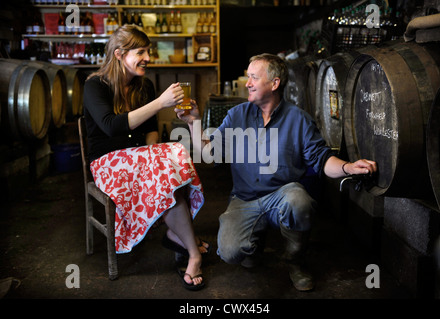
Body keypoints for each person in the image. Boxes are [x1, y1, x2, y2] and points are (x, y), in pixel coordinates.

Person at [175, 53, 377, 291]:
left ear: (274, 83)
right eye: (248, 77)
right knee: (230, 252)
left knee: (298, 201)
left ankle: (295, 261)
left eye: (253, 77)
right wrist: (193, 122)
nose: (247, 83)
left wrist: (348, 167)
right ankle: (254, 242)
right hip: (244, 198)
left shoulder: (298, 119)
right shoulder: (237, 115)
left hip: (282, 196)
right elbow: (209, 155)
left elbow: (322, 160)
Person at [83, 25, 208, 291]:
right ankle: (190, 247)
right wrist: (160, 103)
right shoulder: (95, 85)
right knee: (167, 162)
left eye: (148, 51)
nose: (148, 57)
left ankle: (178, 234)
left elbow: (151, 131)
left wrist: (153, 156)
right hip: (108, 164)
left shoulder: (144, 85)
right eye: (140, 52)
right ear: (118, 54)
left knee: (173, 155)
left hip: (138, 160)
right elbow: (110, 125)